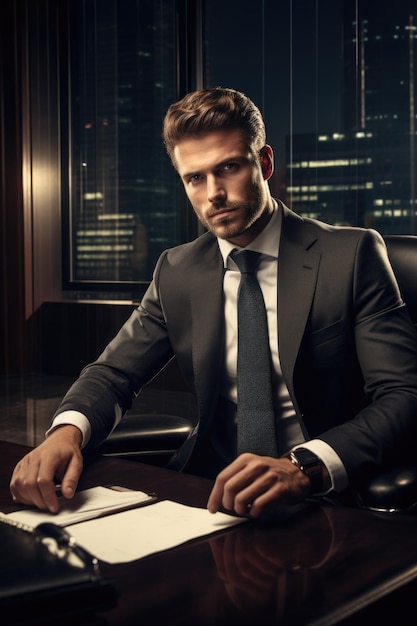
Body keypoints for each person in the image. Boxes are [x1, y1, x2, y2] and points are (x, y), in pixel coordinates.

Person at [10, 87, 417, 519]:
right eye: (195, 178)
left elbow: (404, 394)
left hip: (325, 497)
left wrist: (305, 467)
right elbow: (114, 374)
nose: (213, 194)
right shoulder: (178, 270)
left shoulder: (350, 256)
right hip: (208, 493)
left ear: (264, 163)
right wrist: (65, 432)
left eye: (228, 168)